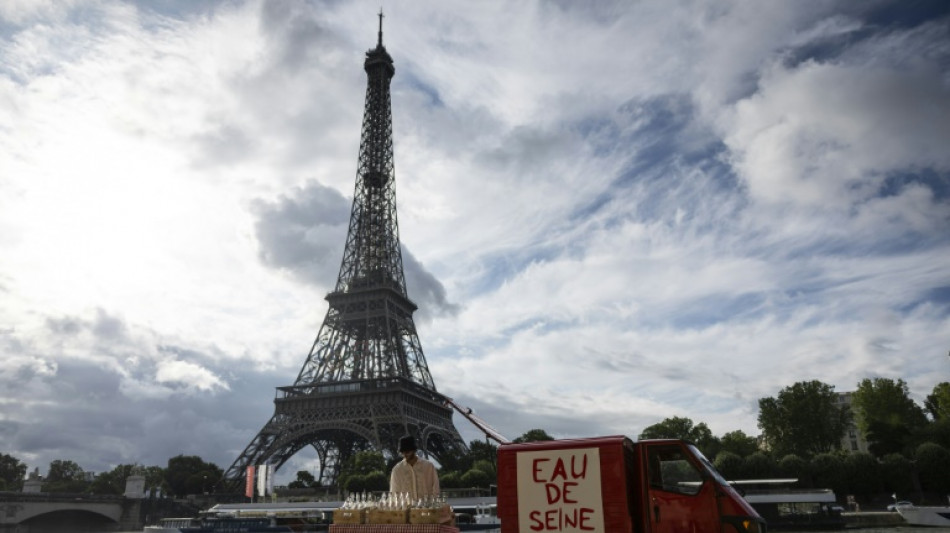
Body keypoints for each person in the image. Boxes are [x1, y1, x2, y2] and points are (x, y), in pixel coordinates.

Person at [389, 435, 440, 500]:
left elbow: (436, 488)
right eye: (402, 452)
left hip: (427, 507)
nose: (405, 454)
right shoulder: (397, 470)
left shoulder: (429, 467)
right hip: (406, 508)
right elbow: (394, 493)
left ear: (414, 450)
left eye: (407, 452)